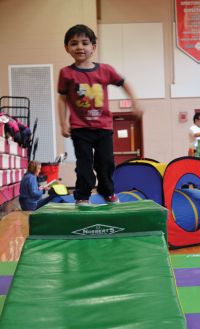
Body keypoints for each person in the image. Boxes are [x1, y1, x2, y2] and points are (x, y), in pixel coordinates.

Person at [57, 24, 141, 205]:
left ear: (93, 47)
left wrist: (134, 101)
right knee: (84, 165)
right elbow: (62, 99)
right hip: (80, 129)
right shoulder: (66, 73)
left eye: (85, 43)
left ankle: (107, 191)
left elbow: (123, 83)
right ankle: (83, 196)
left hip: (103, 127)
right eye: (74, 43)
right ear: (67, 48)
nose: (80, 47)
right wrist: (62, 123)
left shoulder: (105, 70)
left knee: (106, 163)